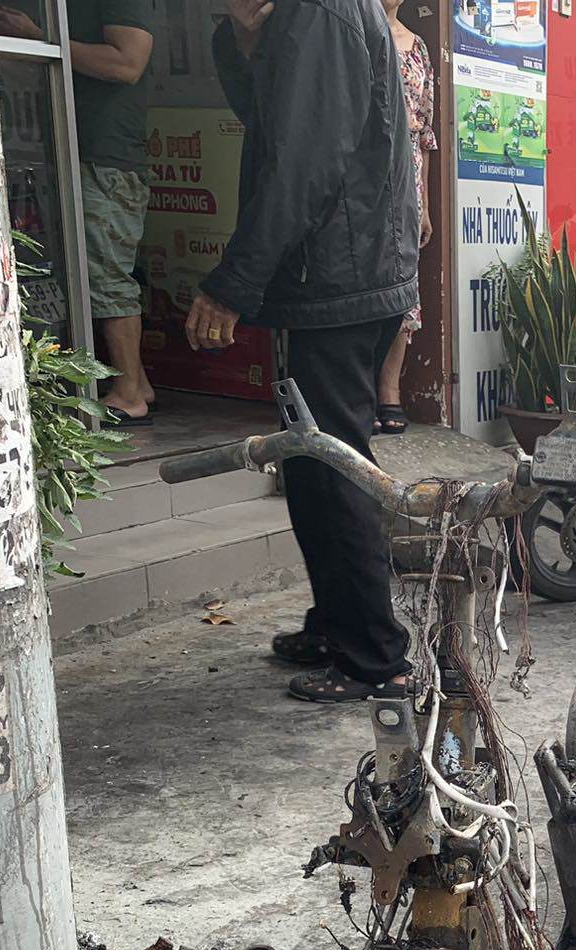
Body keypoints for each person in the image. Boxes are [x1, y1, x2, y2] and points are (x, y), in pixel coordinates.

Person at [193, 0, 421, 704]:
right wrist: (242, 37)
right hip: (332, 274)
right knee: (309, 463)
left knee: (333, 468)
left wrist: (232, 285)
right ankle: (338, 625)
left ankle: (375, 659)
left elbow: (302, 166)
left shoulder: (322, 12)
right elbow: (267, 119)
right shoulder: (292, 18)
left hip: (342, 278)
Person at [0, 0, 158, 425]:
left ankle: (129, 393)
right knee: (95, 271)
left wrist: (40, 38)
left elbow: (128, 63)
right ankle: (136, 382)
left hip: (104, 158)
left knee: (106, 274)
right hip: (72, 151)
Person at [375, 2, 440, 436]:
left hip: (409, 177)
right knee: (364, 282)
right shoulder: (355, 33)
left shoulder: (417, 46)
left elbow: (426, 132)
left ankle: (389, 389)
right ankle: (358, 391)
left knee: (405, 287)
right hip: (366, 174)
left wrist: (425, 205)